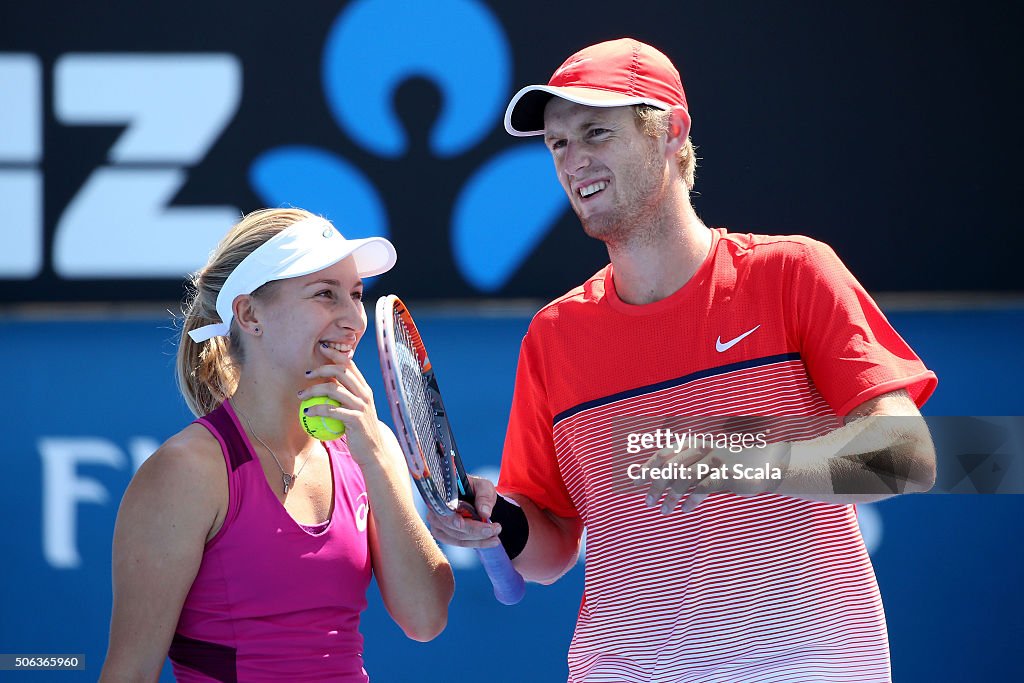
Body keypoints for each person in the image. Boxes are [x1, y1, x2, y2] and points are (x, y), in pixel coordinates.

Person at [429, 38, 938, 682]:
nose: (574, 159)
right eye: (558, 143)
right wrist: (500, 521)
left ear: (672, 133)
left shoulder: (793, 273)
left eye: (596, 132)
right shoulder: (553, 336)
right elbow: (551, 549)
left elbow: (903, 459)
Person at [100, 208, 454, 682]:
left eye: (355, 295)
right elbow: (130, 673)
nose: (353, 320)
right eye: (325, 295)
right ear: (249, 314)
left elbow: (426, 619)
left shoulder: (372, 446)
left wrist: (372, 452)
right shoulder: (188, 471)